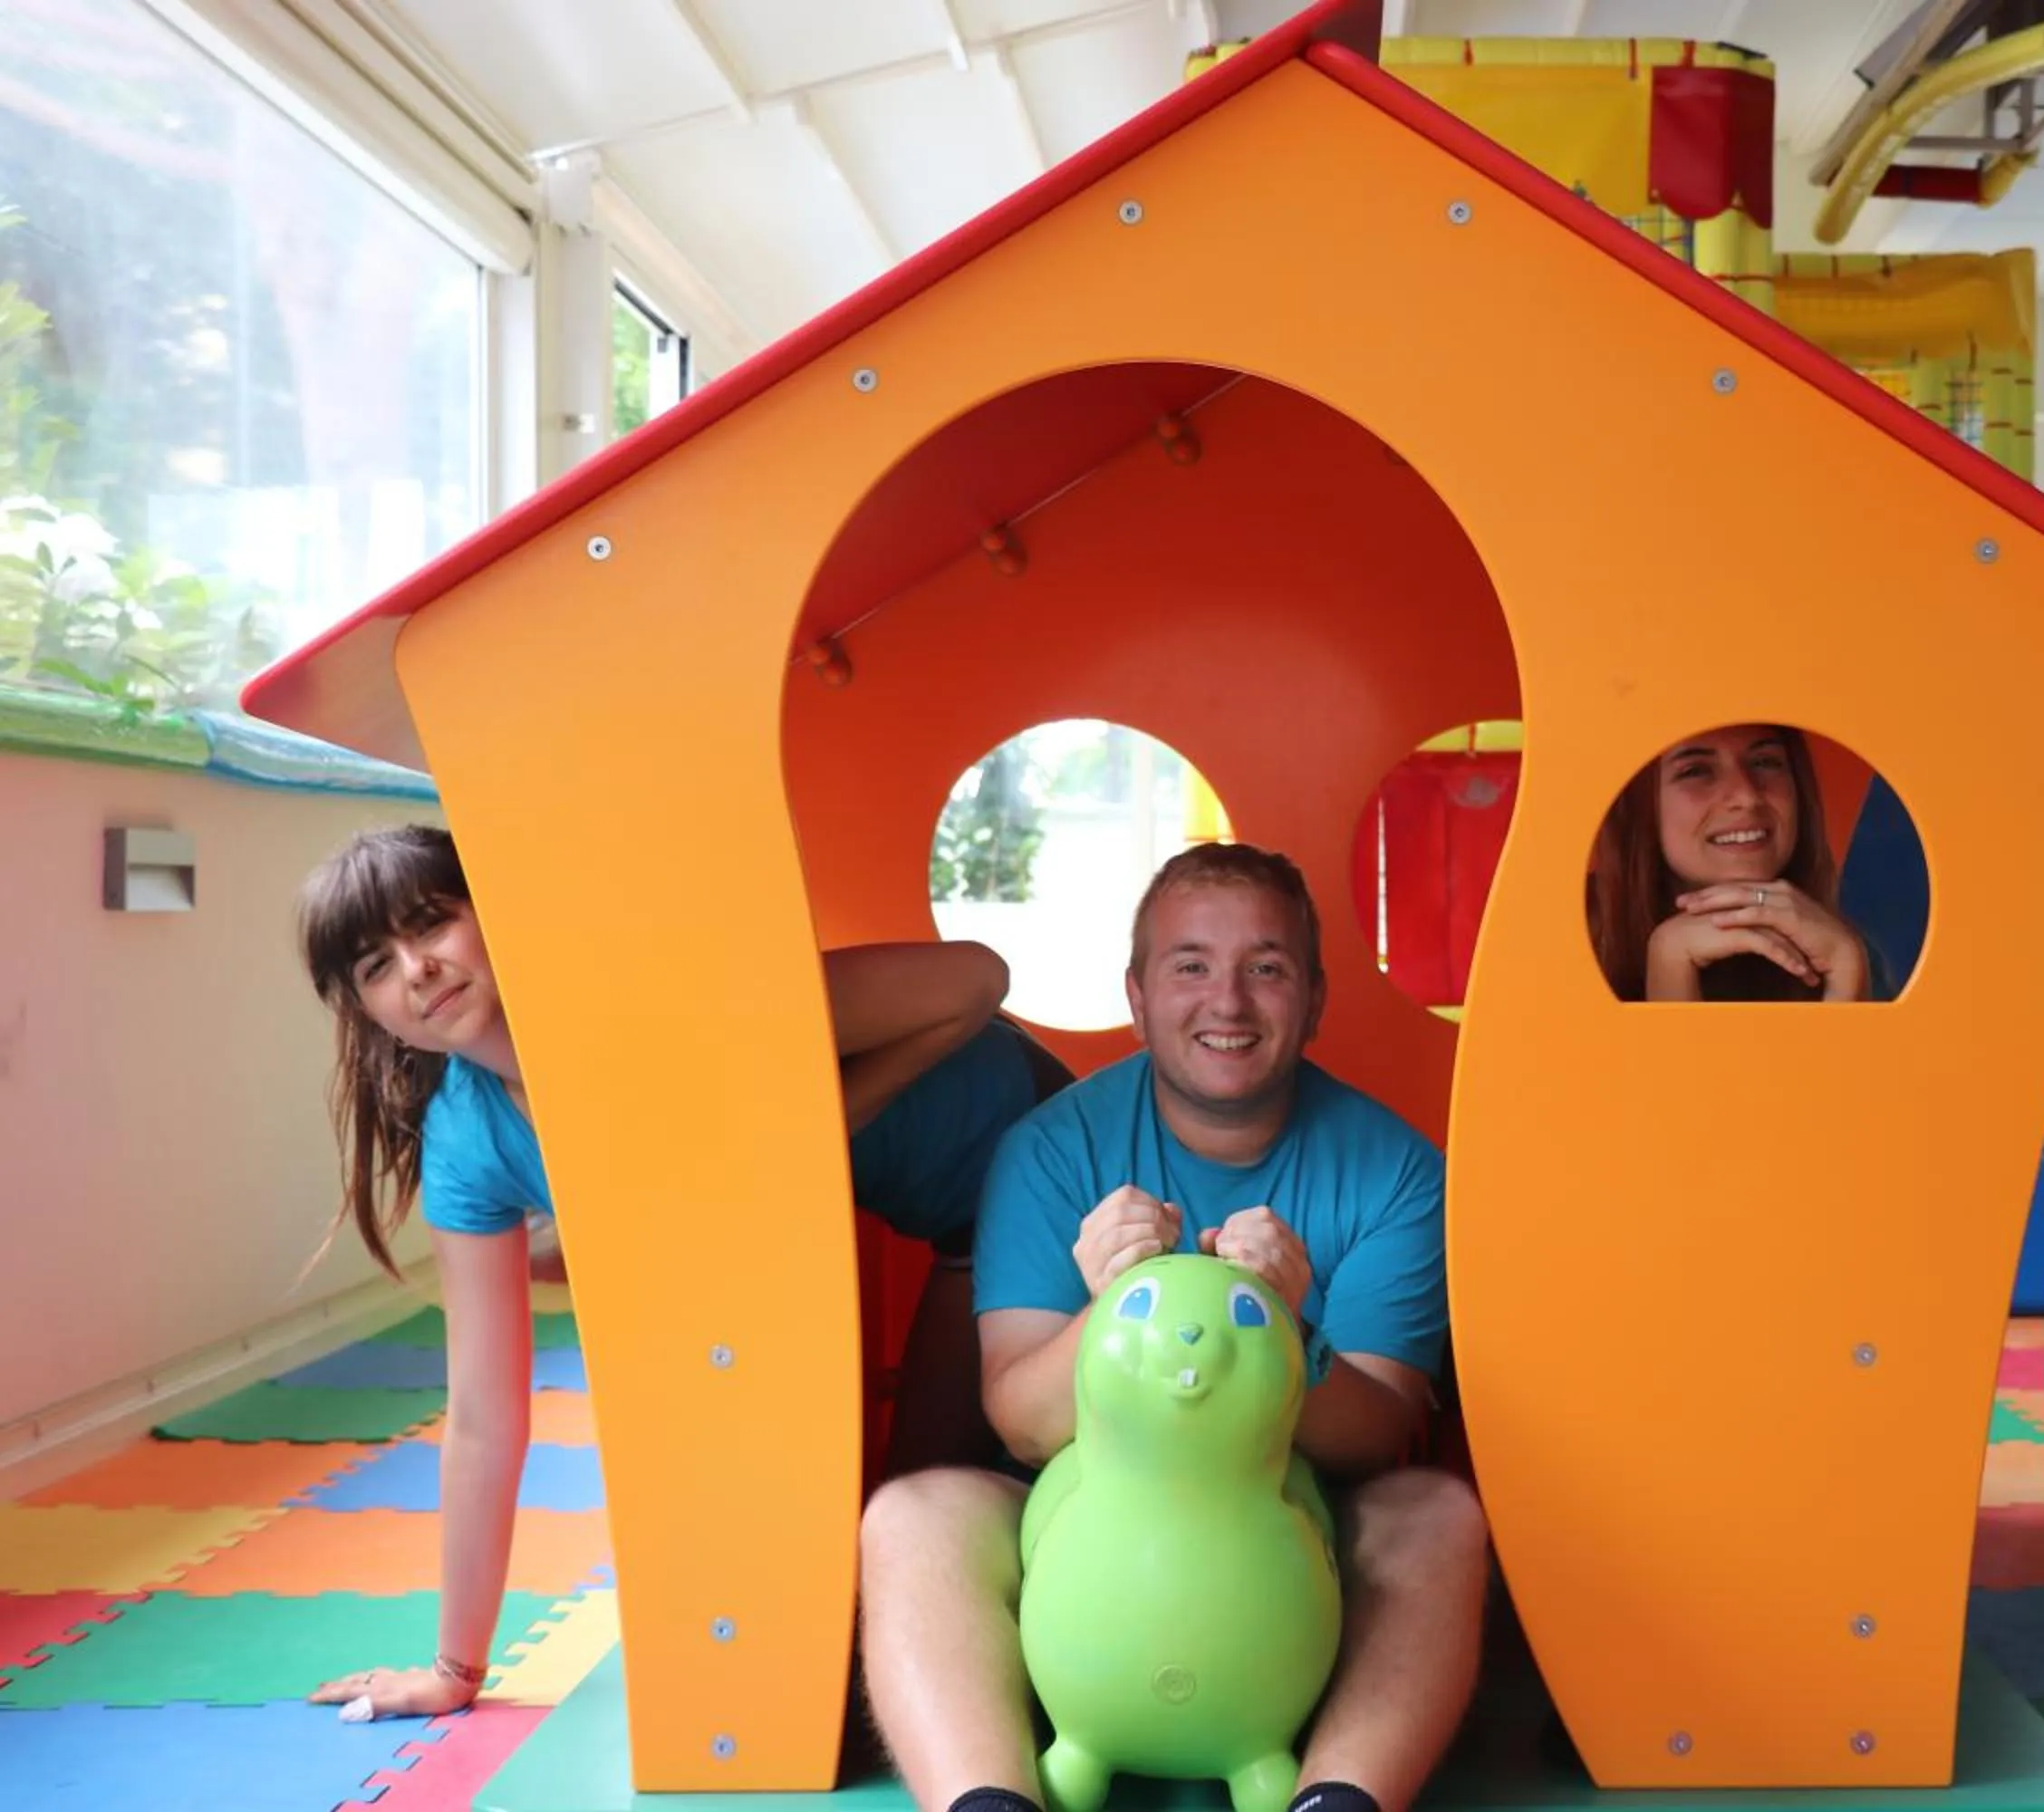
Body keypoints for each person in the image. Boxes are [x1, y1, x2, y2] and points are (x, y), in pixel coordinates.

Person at [291, 823, 1054, 1720]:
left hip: (1050, 1172)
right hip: (960, 1236)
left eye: (431, 922)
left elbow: (977, 978)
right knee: (908, 1525)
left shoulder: (667, 1007)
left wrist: (813, 1128)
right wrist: (456, 1668)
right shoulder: (469, 1139)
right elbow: (482, 1415)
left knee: (944, 1511)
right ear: (365, 1011)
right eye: (377, 963)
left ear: (497, 913)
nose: (417, 966)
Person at [857, 843, 1490, 1812]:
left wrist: (1287, 1332)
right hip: (1080, 1535)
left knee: (1440, 1519)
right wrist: (1112, 1306)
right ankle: (987, 1799)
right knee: (912, 1516)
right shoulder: (1051, 1147)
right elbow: (1021, 1422)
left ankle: (1341, 1797)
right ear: (1139, 994)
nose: (1227, 1002)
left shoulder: (1399, 1169)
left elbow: (1376, 1434)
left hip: (1292, 1541)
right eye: (1190, 965)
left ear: (1315, 998)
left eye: (1265, 968)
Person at [1586, 720, 1884, 1004]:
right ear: (1637, 805)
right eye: (1696, 770)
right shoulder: (1564, 940)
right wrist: (1670, 977)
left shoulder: (1842, 949)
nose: (1747, 795)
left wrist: (1846, 986)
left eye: (1765, 762)